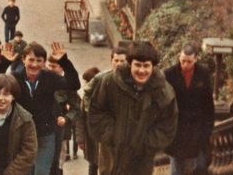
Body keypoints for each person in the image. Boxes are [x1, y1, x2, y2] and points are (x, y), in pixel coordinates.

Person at [0, 42, 81, 175]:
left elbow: (74, 84)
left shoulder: (50, 77)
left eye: (39, 61)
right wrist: (4, 63)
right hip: (21, 134)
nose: (34, 64)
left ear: (44, 63)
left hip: (45, 134)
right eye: (31, 60)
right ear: (23, 60)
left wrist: (64, 61)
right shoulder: (15, 77)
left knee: (41, 172)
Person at [88, 41, 178, 175]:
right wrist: (112, 135)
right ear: (130, 64)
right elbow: (96, 111)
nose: (142, 71)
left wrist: (146, 143)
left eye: (146, 66)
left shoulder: (164, 91)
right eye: (138, 65)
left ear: (153, 66)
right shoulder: (110, 83)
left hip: (142, 158)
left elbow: (168, 125)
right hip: (112, 154)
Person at [164, 43, 215, 175]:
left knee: (196, 167)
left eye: (189, 62)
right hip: (176, 130)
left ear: (196, 59)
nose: (185, 65)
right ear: (179, 57)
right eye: (183, 61)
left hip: (196, 131)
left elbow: (208, 105)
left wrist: (207, 130)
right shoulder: (169, 74)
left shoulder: (203, 73)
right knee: (176, 168)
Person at [76, 47, 128, 175]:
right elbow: (86, 93)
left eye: (122, 61)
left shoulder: (131, 80)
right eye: (116, 60)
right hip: (105, 132)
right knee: (104, 167)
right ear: (111, 60)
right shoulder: (101, 78)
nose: (119, 64)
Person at [47, 56, 81, 175]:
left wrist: (66, 118)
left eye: (54, 66)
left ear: (61, 69)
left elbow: (76, 108)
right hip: (41, 128)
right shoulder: (41, 81)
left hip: (59, 128)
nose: (50, 69)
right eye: (49, 65)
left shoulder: (66, 85)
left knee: (57, 162)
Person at [75, 67, 100, 175]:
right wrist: (80, 139)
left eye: (88, 81)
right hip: (90, 138)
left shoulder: (105, 95)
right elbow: (80, 118)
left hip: (103, 138)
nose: (86, 84)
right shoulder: (85, 98)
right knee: (93, 164)